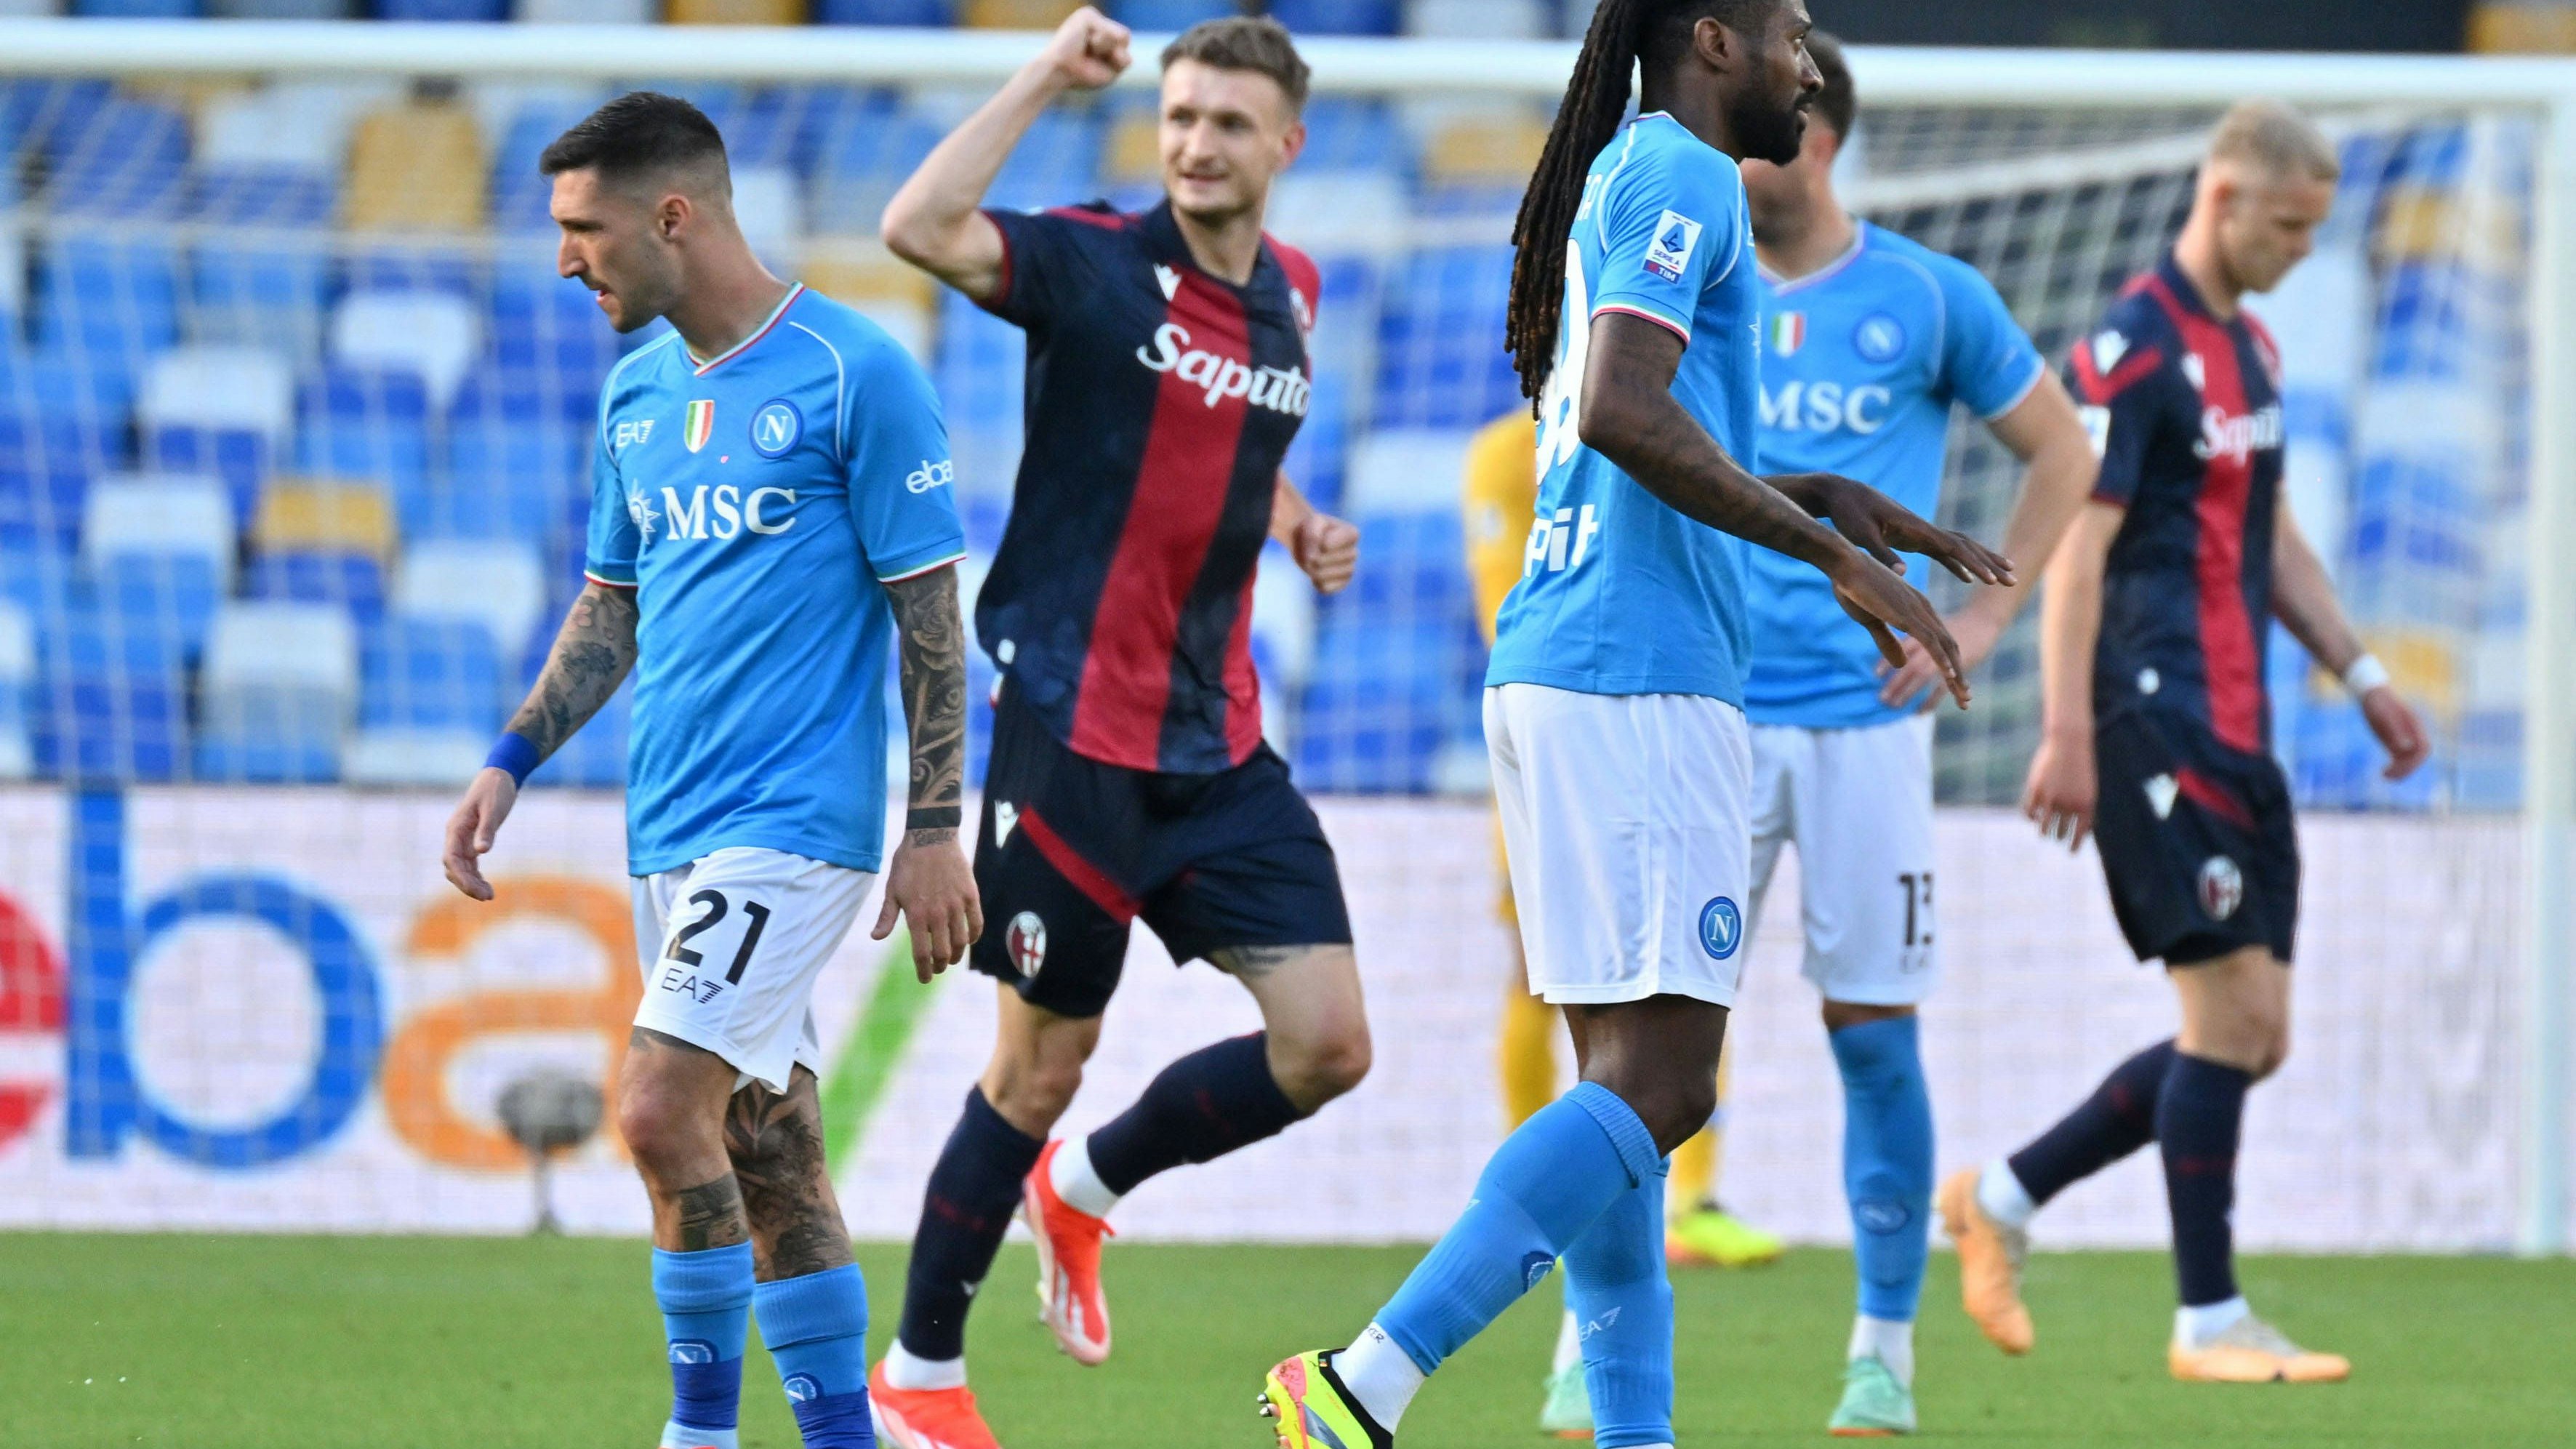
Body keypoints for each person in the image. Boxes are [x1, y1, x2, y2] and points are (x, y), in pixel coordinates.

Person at [1261, 2, 2018, 1445]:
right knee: (1667, 1085)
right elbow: (1617, 409)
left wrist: (1813, 494)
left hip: (1564, 664)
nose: (1809, 59)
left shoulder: (1621, 175)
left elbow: (1620, 416)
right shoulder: (1679, 172)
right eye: (1791, 31)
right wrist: (1827, 558)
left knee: (1622, 1087)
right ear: (1715, 40)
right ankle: (1363, 1379)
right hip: (1637, 673)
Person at [439, 92, 979, 1449]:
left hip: (794, 825)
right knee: (769, 1143)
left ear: (671, 215)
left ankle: (697, 1434)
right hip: (668, 823)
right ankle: (849, 1437)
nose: (567, 260)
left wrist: (932, 827)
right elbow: (611, 604)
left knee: (654, 1104)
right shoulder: (635, 395)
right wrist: (512, 757)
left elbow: (930, 611)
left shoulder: (859, 371)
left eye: (583, 228)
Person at [870, 12, 1368, 1448]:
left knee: (1328, 1044)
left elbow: (1221, 442)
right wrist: (1040, 73)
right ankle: (920, 1372)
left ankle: (1083, 1188)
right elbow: (916, 223)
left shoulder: (1296, 293)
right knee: (1036, 1064)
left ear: (1285, 144)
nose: (1198, 143)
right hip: (1071, 739)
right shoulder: (1091, 262)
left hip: (1216, 747)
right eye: (1180, 117)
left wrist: (1296, 519)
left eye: (1229, 122)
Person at [1939, 100, 2431, 1387]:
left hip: (2240, 719)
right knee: (2230, 1017)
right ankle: (2208, 1317)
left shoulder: (2248, 349)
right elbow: (2077, 550)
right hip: (2153, 716)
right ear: (2223, 199)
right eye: (2289, 224)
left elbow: (2269, 537)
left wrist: (2361, 671)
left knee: (2254, 1034)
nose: (2302, 250)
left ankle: (1999, 1194)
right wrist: (2066, 731)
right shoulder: (2126, 353)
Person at [1670, 31, 2098, 1437]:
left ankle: (1882, 1357)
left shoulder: (1925, 295)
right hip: (1706, 713)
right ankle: (1591, 1342)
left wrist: (1977, 628)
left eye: (1749, 130)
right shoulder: (1684, 285)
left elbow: (2065, 454)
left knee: (1873, 1040)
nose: (1726, 152)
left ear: (1817, 132)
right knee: (1648, 1044)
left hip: (1865, 729)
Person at [1462, 409, 1782, 1443]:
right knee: (1570, 1004)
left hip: (1630, 708)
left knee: (1669, 1021)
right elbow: (1495, 596)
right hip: (1578, 718)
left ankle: (1689, 1197)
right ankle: (1381, 1360)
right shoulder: (1513, 451)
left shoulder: (1661, 428)